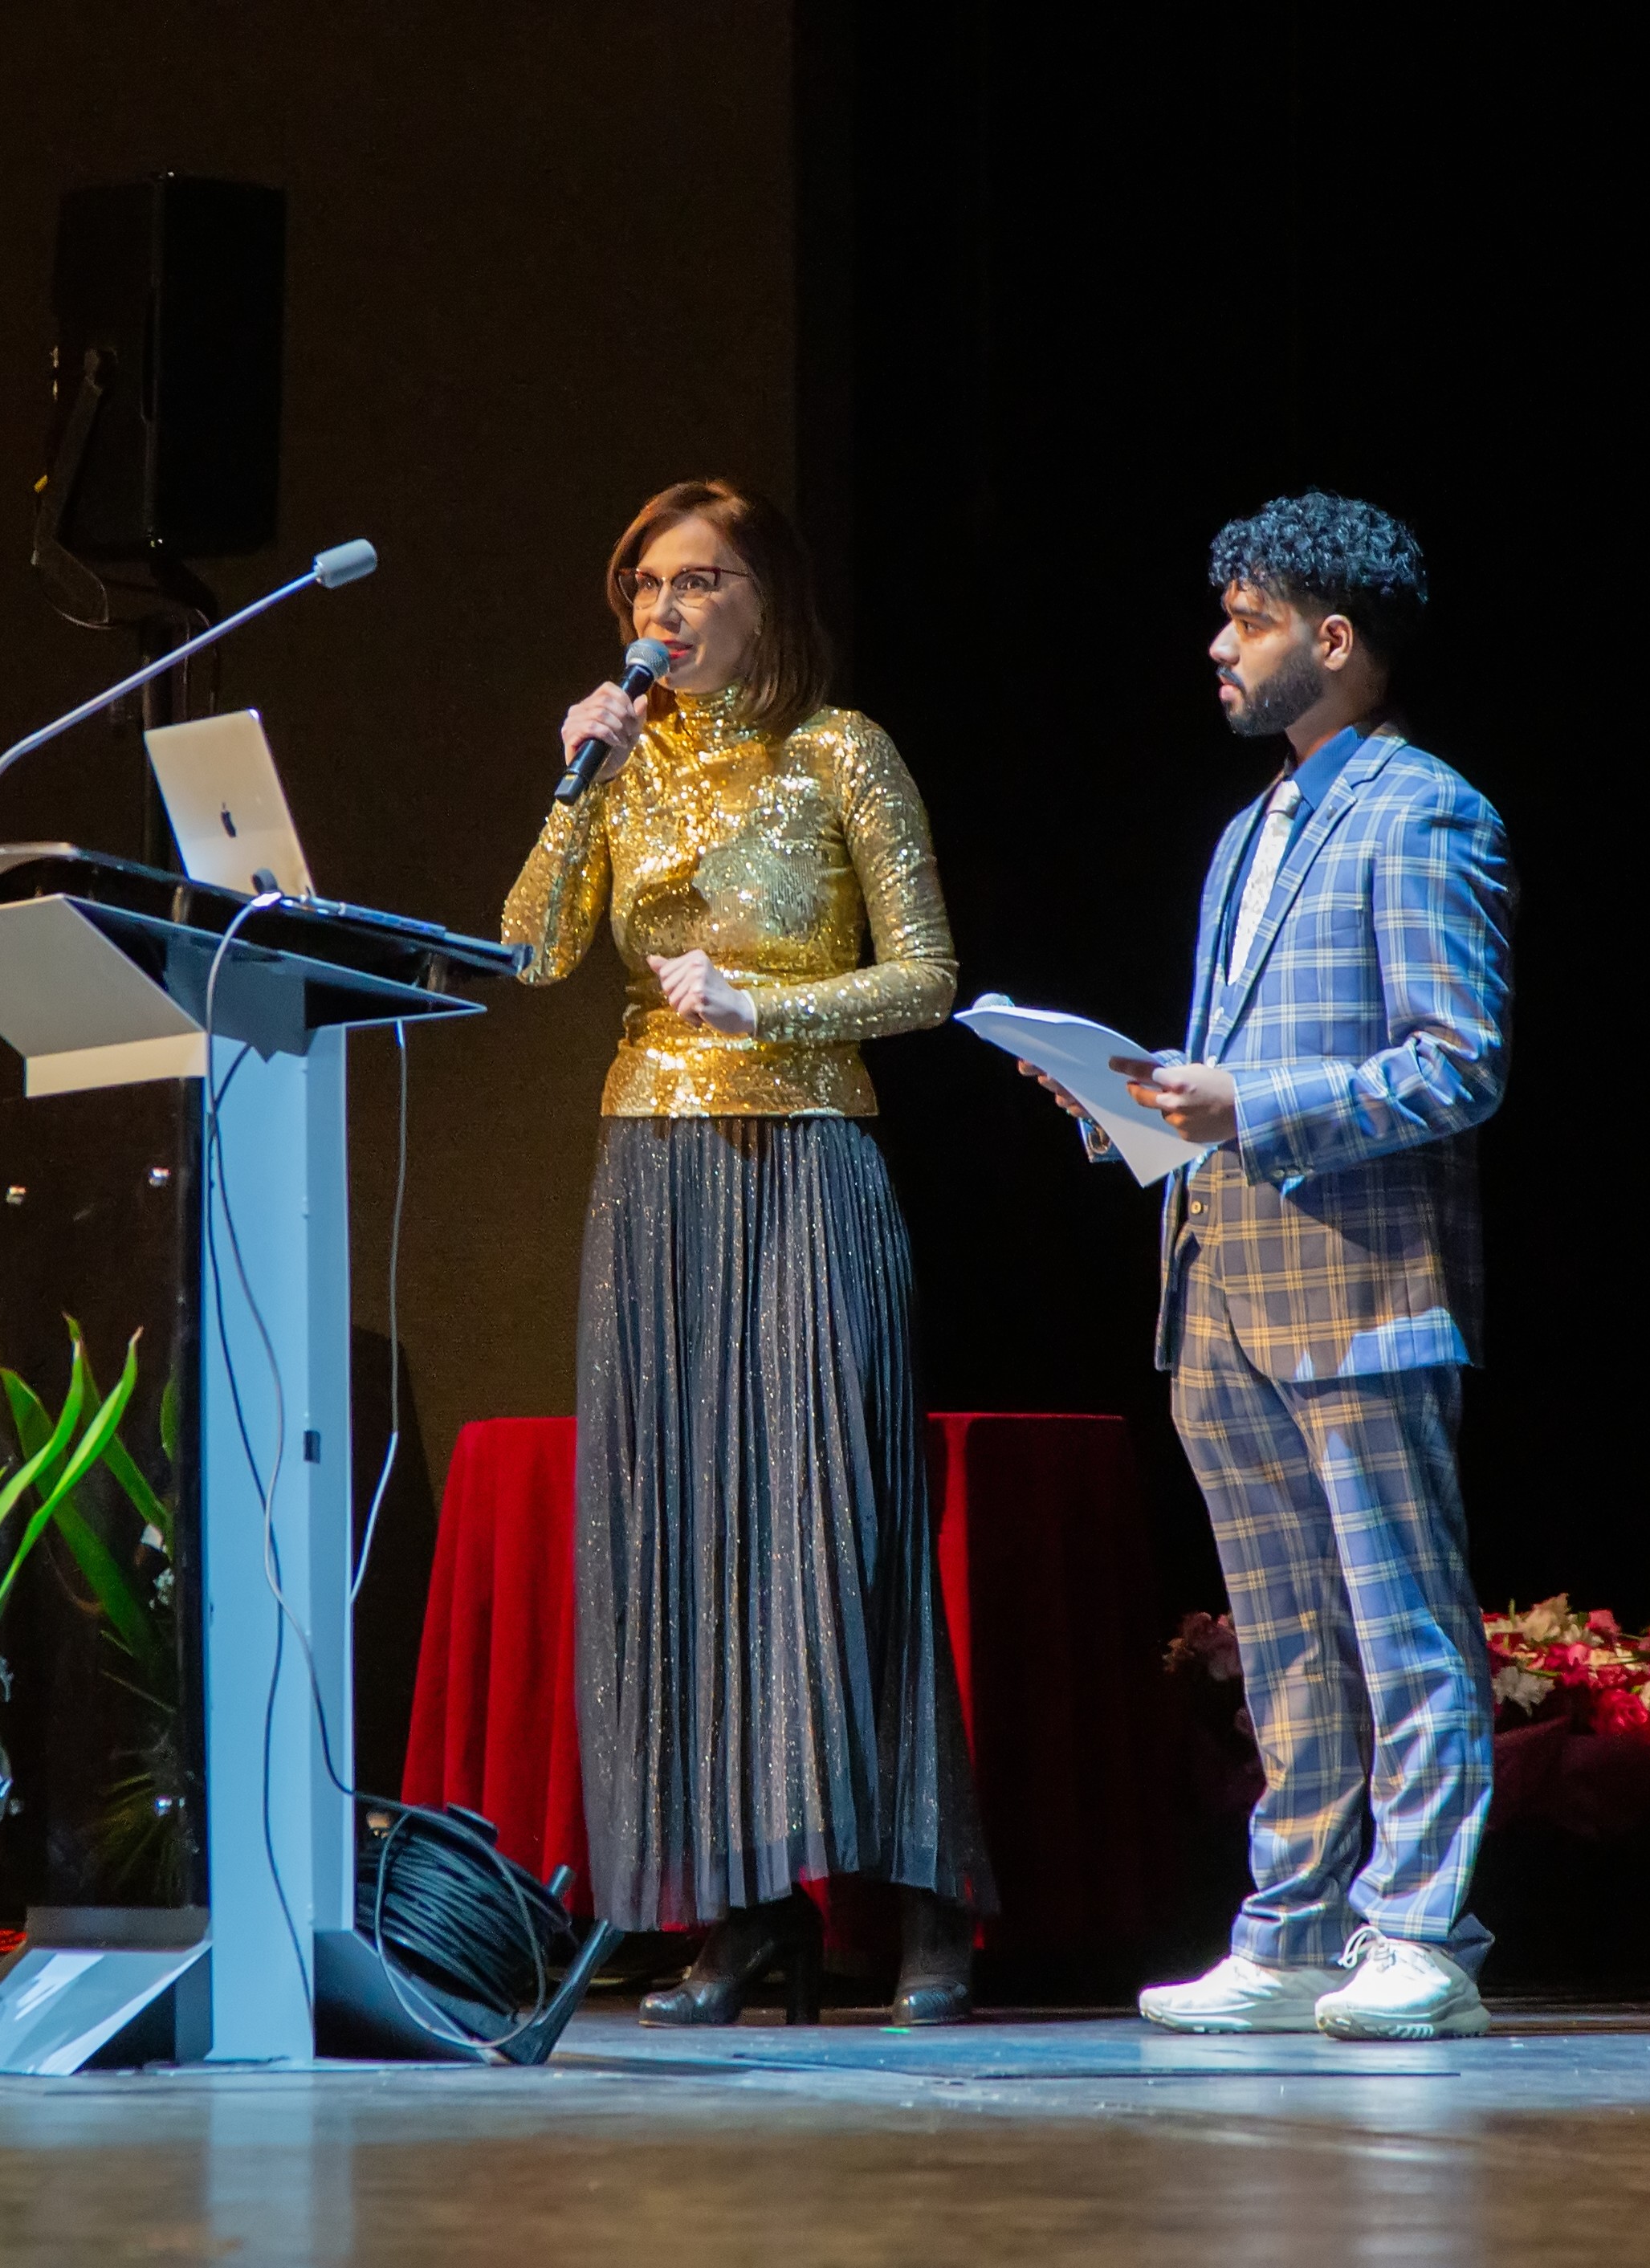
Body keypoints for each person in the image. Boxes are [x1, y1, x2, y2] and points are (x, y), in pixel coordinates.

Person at [503, 477, 993, 2028]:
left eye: (699, 580)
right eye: (645, 585)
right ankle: (744, 1910)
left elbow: (928, 978)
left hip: (807, 1152)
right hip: (651, 1168)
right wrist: (573, 782)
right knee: (685, 1531)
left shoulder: (839, 750)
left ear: (766, 597)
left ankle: (923, 1902)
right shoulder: (622, 763)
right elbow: (530, 953)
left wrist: (764, 1006)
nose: (666, 609)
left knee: (838, 1520)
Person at [1023, 491, 1512, 2039]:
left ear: (1335, 638)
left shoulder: (1423, 810)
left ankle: (1420, 1928)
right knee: (1284, 1632)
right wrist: (1125, 1104)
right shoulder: (1249, 831)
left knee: (1398, 1619)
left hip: (1358, 1286)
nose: (1219, 645)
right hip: (1220, 1279)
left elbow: (1457, 1062)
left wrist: (1250, 1101)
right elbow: (1226, 1073)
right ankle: (1292, 1927)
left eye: (1249, 619)